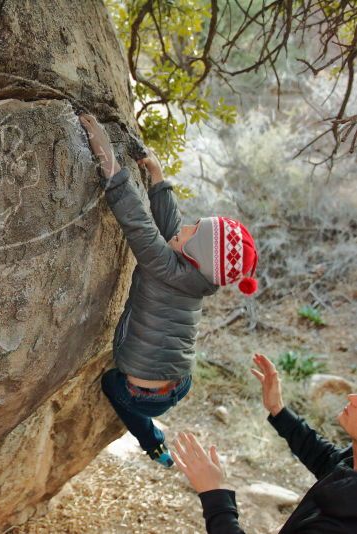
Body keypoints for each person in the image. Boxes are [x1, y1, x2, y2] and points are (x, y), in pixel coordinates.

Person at [79, 114, 259, 467]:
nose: (187, 227)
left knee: (110, 386)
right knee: (127, 383)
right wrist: (158, 180)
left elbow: (137, 222)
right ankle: (156, 446)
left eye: (195, 231)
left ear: (196, 255)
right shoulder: (199, 278)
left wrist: (109, 162)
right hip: (177, 385)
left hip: (142, 394)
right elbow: (171, 228)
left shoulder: (161, 265)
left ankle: (151, 440)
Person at [172, 354, 357, 532]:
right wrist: (278, 409)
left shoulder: (341, 525)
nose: (352, 398)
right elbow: (327, 460)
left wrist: (213, 493)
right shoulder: (352, 464)